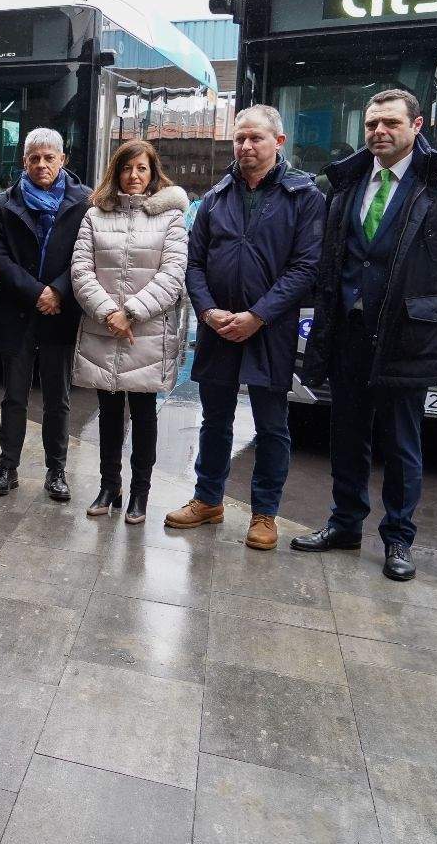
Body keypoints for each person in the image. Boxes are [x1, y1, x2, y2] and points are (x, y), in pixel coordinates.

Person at [293, 89, 437, 580]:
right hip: (349, 331)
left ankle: (399, 538)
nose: (379, 132)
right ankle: (345, 523)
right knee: (347, 435)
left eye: (390, 124)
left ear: (417, 126)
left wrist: (429, 311)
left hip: (406, 336)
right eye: (372, 124)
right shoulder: (349, 181)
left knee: (402, 442)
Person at [167, 105, 324, 550]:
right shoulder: (217, 197)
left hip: (269, 330)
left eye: (255, 138)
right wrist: (207, 310)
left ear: (279, 142)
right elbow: (194, 262)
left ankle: (264, 514)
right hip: (218, 327)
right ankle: (208, 499)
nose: (245, 146)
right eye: (239, 138)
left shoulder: (304, 196)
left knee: (272, 425)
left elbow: (306, 266)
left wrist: (259, 315)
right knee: (213, 419)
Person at [70, 139, 190, 524]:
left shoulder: (171, 218)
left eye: (142, 168)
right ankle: (110, 485)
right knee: (107, 412)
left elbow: (172, 275)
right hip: (104, 328)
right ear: (116, 172)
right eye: (127, 168)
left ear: (153, 173)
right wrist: (108, 312)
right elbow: (81, 271)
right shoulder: (95, 215)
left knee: (143, 415)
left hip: (147, 334)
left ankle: (140, 491)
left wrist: (132, 313)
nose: (134, 176)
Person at [0, 129, 90, 503]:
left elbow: (87, 256)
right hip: (17, 310)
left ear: (63, 160)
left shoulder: (85, 202)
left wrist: (58, 291)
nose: (42, 165)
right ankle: (7, 467)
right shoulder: (3, 203)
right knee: (13, 395)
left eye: (49, 158)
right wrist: (37, 292)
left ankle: (56, 469)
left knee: (58, 397)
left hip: (61, 311)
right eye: (34, 158)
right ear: (24, 162)